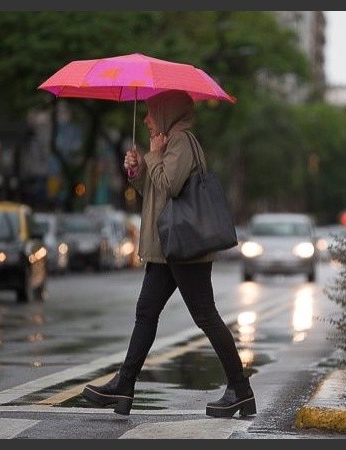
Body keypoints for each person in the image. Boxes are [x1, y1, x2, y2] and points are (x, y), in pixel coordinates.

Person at [81, 90, 256, 418]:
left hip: (183, 248)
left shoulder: (181, 141)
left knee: (205, 316)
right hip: (167, 247)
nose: (146, 118)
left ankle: (241, 389)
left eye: (151, 112)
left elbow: (171, 186)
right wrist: (137, 169)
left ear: (167, 111)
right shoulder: (168, 143)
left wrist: (154, 155)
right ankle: (125, 385)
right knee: (146, 312)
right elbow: (154, 192)